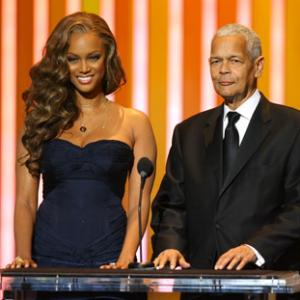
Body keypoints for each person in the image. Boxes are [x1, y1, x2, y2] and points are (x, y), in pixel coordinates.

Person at [6, 11, 156, 299]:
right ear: (62, 63)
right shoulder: (40, 121)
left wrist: (125, 260)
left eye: (93, 57)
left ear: (107, 58)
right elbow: (25, 201)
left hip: (111, 260)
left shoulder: (135, 122)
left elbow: (140, 202)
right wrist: (24, 258)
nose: (83, 67)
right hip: (49, 261)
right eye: (73, 58)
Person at [151, 23, 300, 300]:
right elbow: (172, 204)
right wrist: (169, 246)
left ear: (258, 66)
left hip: (267, 281)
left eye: (234, 60)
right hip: (200, 283)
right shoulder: (189, 132)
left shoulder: (292, 127)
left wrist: (254, 249)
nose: (223, 70)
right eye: (215, 61)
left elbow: (297, 208)